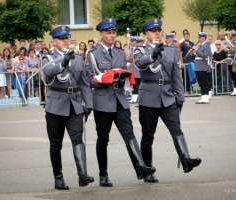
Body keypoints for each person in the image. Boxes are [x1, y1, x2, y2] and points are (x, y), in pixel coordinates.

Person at [86, 18, 156, 187]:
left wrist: (123, 75)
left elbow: (124, 70)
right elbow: (90, 80)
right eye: (108, 33)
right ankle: (103, 174)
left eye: (113, 32)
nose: (112, 35)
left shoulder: (119, 52)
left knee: (129, 134)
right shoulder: (93, 54)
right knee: (103, 139)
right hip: (102, 101)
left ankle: (140, 167)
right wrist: (109, 78)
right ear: (101, 34)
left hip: (120, 100)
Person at [134, 19, 201, 183]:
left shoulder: (170, 49)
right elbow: (140, 64)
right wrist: (154, 53)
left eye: (159, 30)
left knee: (176, 129)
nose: (157, 33)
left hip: (168, 96)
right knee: (148, 135)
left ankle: (186, 160)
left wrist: (181, 95)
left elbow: (175, 75)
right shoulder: (139, 50)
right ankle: (147, 169)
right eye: (153, 31)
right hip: (149, 97)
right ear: (146, 34)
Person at [43, 25, 94, 190]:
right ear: (54, 42)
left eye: (67, 38)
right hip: (56, 105)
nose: (66, 41)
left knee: (77, 140)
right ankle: (58, 178)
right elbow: (49, 72)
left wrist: (89, 104)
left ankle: (82, 174)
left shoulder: (78, 58)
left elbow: (85, 83)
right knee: (56, 143)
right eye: (62, 39)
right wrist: (64, 60)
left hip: (74, 104)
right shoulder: (48, 58)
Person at [194, 32, 213, 104]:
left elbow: (205, 55)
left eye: (200, 37)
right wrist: (194, 52)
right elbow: (198, 55)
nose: (199, 39)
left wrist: (197, 50)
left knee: (204, 83)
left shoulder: (206, 45)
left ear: (204, 37)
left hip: (203, 67)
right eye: (199, 37)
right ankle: (203, 97)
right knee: (201, 83)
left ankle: (205, 97)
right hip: (198, 67)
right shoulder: (201, 45)